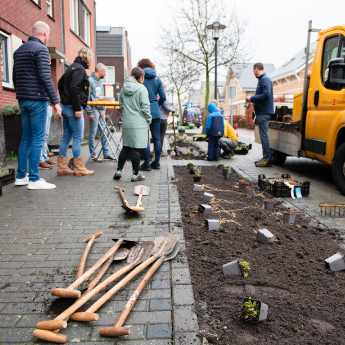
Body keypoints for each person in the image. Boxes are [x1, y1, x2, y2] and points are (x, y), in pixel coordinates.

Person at [13, 21, 61, 190]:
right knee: (38, 138)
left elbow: (15, 77)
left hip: (23, 99)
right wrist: (55, 101)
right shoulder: (41, 50)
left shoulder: (19, 51)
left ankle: (21, 176)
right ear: (45, 34)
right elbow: (45, 77)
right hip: (38, 100)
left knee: (25, 137)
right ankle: (34, 178)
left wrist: (20, 95)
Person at [57, 47, 94, 176]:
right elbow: (74, 87)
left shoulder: (71, 67)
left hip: (66, 107)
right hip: (73, 109)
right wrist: (77, 108)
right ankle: (79, 167)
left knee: (66, 136)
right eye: (91, 58)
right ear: (87, 57)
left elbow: (60, 84)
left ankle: (62, 167)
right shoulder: (79, 69)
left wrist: (63, 101)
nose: (91, 61)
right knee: (78, 137)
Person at [113, 67, 151, 182]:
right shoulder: (142, 89)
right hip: (139, 124)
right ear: (140, 77)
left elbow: (120, 105)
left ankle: (119, 171)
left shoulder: (124, 88)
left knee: (126, 147)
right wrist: (149, 119)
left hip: (127, 122)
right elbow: (145, 107)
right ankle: (135, 174)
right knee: (135, 149)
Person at [138, 58, 166, 170]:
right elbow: (163, 97)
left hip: (143, 111)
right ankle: (157, 163)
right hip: (155, 111)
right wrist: (156, 104)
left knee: (145, 138)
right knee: (157, 139)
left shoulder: (140, 78)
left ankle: (147, 163)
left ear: (141, 67)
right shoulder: (158, 79)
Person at [247, 63, 274, 167]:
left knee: (263, 136)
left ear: (257, 69)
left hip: (264, 113)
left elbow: (266, 94)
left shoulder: (265, 80)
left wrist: (252, 98)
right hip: (262, 112)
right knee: (264, 135)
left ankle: (266, 158)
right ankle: (266, 157)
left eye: (254, 71)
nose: (254, 73)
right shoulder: (263, 80)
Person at [87, 63, 115, 161]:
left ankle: (106, 153)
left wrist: (104, 108)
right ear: (99, 71)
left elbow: (100, 96)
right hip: (93, 109)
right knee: (93, 133)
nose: (106, 74)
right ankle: (93, 155)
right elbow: (87, 96)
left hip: (101, 109)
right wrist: (89, 112)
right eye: (105, 71)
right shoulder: (90, 81)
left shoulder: (101, 81)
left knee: (105, 131)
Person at [39, 105, 56, 170]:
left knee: (45, 135)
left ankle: (45, 157)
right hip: (41, 103)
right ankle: (40, 160)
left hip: (48, 104)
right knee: (41, 135)